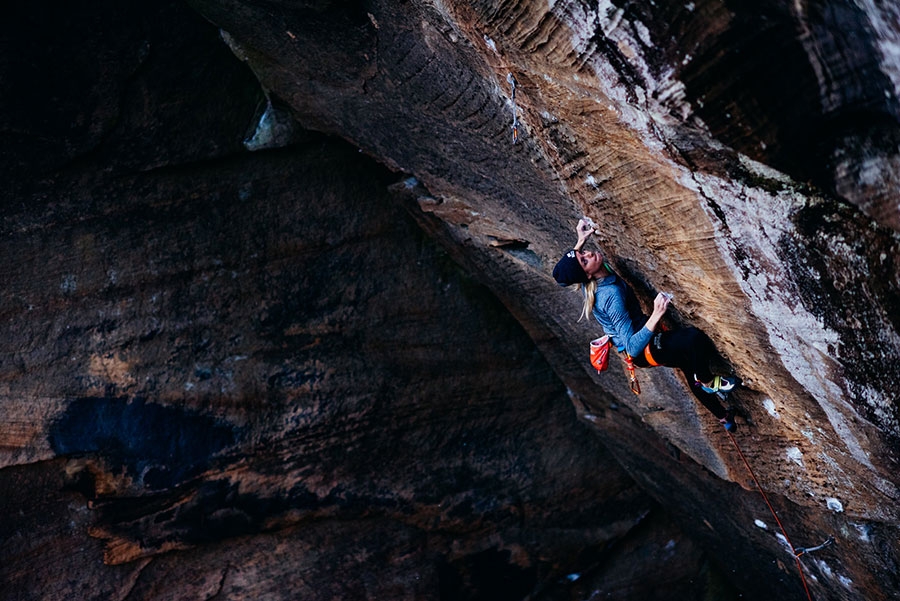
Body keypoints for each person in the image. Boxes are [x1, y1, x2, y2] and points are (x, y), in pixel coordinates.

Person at [553, 218, 738, 431]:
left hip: (639, 339)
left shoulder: (592, 276)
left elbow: (564, 275)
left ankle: (723, 417)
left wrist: (580, 240)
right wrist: (657, 314)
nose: (588, 254)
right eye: (584, 260)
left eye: (583, 253)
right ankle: (708, 382)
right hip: (642, 348)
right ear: (587, 274)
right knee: (692, 338)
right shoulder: (609, 295)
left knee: (689, 364)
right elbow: (632, 346)